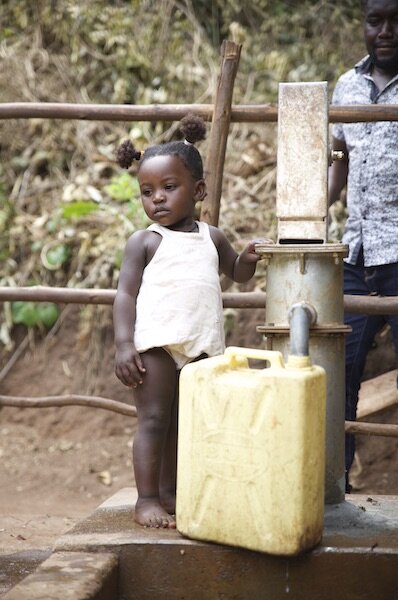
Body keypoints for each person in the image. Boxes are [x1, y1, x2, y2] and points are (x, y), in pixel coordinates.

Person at [113, 114, 264, 527]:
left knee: (185, 422)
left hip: (199, 346)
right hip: (157, 345)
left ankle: (170, 491)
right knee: (154, 420)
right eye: (147, 192)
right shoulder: (144, 242)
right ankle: (146, 499)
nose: (156, 199)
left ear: (198, 190)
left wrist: (248, 258)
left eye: (168, 188)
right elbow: (125, 295)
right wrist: (125, 344)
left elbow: (236, 271)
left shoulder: (211, 237)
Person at [328, 0, 398, 492]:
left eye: (397, 20)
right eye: (375, 21)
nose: (386, 31)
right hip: (355, 253)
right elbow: (339, 163)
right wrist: (306, 213)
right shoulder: (346, 86)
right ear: (363, 25)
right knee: (339, 371)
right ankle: (337, 487)